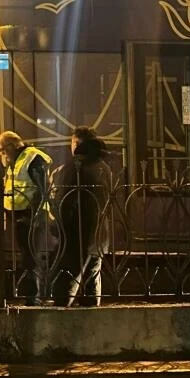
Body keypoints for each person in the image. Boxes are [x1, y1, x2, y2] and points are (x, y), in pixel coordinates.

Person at [54, 126, 112, 307]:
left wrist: (57, 226)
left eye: (71, 143)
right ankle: (92, 315)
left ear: (77, 143)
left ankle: (60, 317)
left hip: (78, 231)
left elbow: (65, 201)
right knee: (92, 279)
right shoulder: (103, 166)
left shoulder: (76, 166)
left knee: (69, 279)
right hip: (100, 233)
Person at [0, 131, 53, 306]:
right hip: (21, 214)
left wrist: (33, 215)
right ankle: (31, 295)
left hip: (32, 214)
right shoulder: (18, 160)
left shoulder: (33, 157)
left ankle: (34, 297)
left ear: (13, 145)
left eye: (3, 149)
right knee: (28, 256)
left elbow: (42, 189)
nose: (3, 153)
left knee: (32, 257)